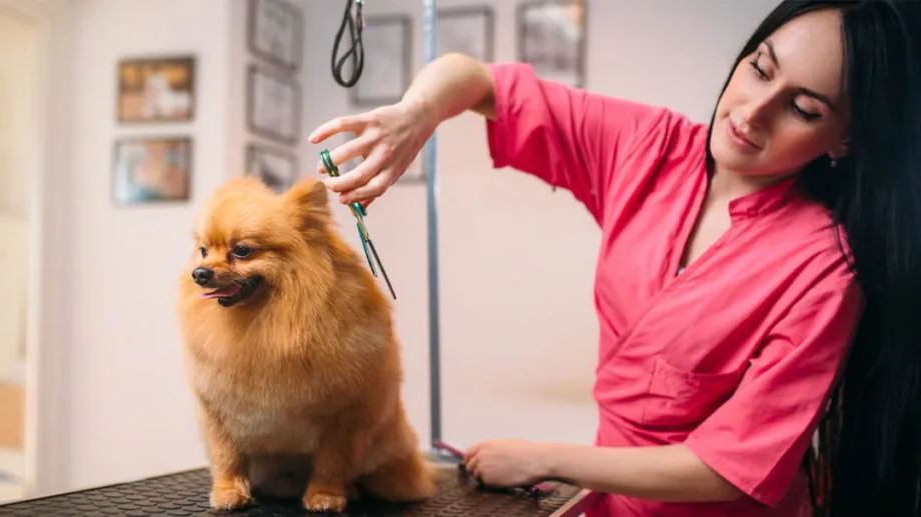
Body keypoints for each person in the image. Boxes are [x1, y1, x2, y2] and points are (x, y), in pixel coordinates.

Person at [307, 1, 921, 516]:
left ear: (844, 139)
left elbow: (731, 467)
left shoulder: (826, 267)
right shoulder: (649, 147)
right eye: (760, 69)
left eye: (803, 108)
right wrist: (416, 116)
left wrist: (546, 459)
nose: (752, 113)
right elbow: (475, 79)